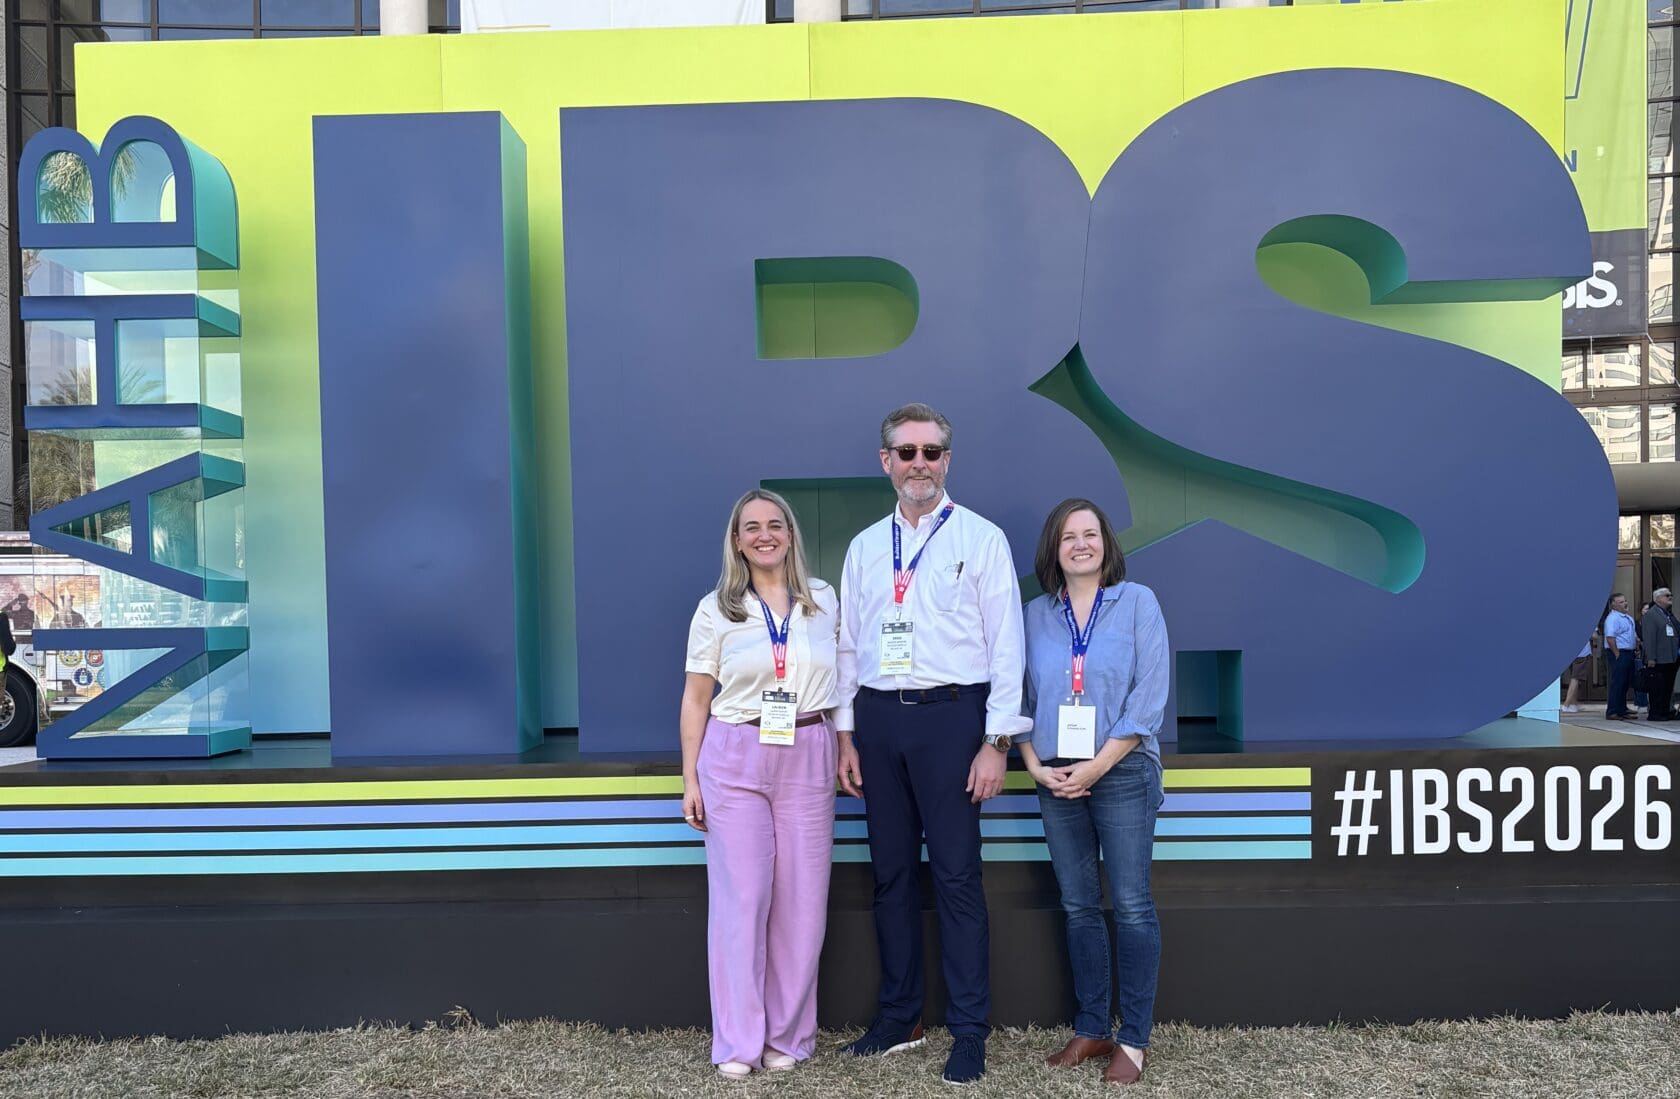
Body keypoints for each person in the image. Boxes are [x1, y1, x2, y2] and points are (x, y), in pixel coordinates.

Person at [834, 402, 1031, 1087]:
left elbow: (1007, 646)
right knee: (891, 874)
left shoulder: (982, 538)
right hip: (877, 720)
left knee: (956, 875)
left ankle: (969, 1030)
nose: (920, 463)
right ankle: (900, 1017)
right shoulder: (864, 548)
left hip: (953, 720)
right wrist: (845, 735)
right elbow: (848, 645)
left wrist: (996, 741)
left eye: (931, 451)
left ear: (948, 459)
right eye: (907, 451)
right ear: (884, 461)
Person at [679, 489, 840, 1080]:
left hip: (809, 749)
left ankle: (788, 1036)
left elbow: (844, 681)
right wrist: (690, 778)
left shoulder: (822, 599)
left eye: (775, 524)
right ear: (737, 540)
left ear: (791, 534)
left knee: (803, 904)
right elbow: (696, 699)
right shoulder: (716, 609)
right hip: (734, 754)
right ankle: (738, 1041)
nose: (765, 534)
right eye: (752, 527)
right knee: (741, 902)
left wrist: (846, 742)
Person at [1018, 499, 1168, 1086]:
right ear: (1053, 550)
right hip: (1056, 775)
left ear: (1106, 542)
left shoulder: (1138, 603)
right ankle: (1091, 1026)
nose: (1080, 544)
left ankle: (1133, 1039)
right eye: (1068, 537)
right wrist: (1034, 765)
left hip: (1122, 770)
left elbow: (1148, 698)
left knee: (1131, 905)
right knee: (1079, 905)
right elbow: (1018, 696)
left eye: (1090, 534)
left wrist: (1097, 767)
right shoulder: (1034, 615)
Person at [1640, 588, 1678, 722]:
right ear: (1657, 599)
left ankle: (1665, 711)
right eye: (1667, 595)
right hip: (1658, 659)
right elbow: (1649, 638)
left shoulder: (1667, 614)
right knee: (1657, 688)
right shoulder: (1651, 615)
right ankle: (1655, 713)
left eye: (1670, 595)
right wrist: (1651, 657)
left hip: (1670, 658)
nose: (1670, 597)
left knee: (1667, 687)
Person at [1603, 594, 1637, 721]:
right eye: (1621, 602)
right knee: (1617, 682)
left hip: (1629, 652)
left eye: (1625, 601)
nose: (1625, 603)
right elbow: (1610, 637)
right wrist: (1617, 653)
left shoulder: (1628, 618)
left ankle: (1622, 709)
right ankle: (1612, 711)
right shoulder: (1613, 618)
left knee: (1625, 682)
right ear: (1613, 605)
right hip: (1619, 652)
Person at [1561, 637, 1592, 714]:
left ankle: (1573, 705)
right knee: (1575, 678)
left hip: (1570, 650)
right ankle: (1566, 704)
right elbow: (1594, 635)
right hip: (1582, 653)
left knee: (1574, 677)